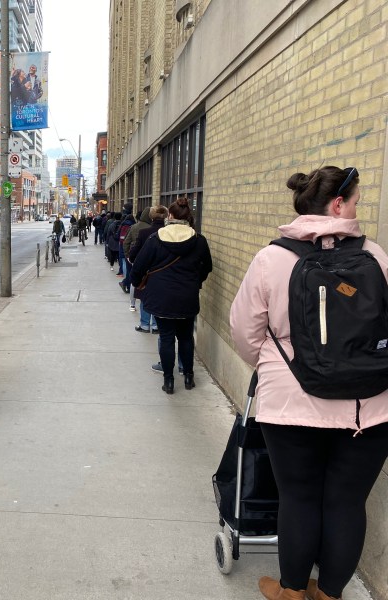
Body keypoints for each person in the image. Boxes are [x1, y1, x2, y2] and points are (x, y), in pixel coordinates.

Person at [230, 166, 388, 600]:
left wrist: (276, 372)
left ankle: (292, 592)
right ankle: (329, 595)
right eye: (355, 200)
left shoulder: (272, 259)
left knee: (298, 499)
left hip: (292, 403)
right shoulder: (375, 257)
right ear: (338, 204)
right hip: (369, 407)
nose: (358, 208)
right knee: (346, 502)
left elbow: (244, 332)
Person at [130, 198, 212, 394]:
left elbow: (139, 266)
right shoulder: (199, 240)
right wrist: (195, 281)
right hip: (188, 296)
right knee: (185, 337)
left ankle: (168, 381)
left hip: (161, 297)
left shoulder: (155, 239)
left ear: (170, 216)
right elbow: (207, 267)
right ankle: (189, 377)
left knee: (166, 338)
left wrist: (137, 282)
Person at [130, 205, 167, 333]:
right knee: (159, 299)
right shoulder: (168, 233)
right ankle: (157, 325)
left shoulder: (144, 233)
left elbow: (135, 252)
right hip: (164, 273)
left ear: (151, 216)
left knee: (145, 298)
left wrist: (132, 259)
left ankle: (145, 324)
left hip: (146, 272)